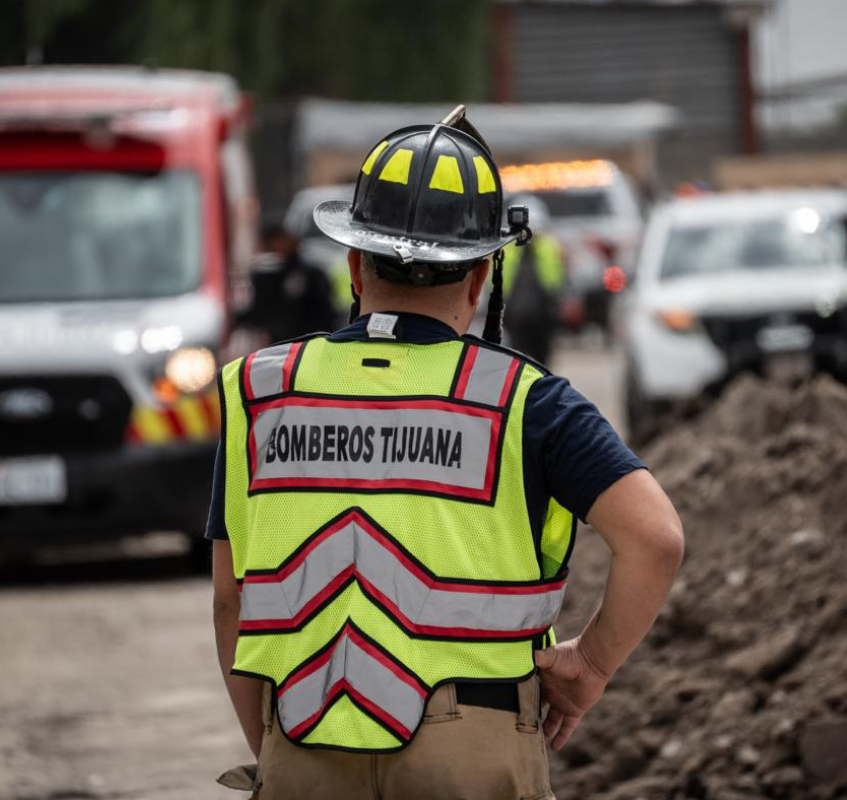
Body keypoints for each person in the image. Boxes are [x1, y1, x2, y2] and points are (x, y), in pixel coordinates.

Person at [207, 107, 683, 799]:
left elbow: (231, 603)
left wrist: (275, 748)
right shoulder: (532, 403)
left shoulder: (260, 392)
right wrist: (591, 667)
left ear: (352, 264)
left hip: (306, 734)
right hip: (475, 752)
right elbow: (656, 539)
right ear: (480, 277)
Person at [237, 222, 337, 343]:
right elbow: (263, 311)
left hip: (311, 342)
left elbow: (323, 311)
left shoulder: (309, 273)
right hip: (282, 345)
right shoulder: (268, 274)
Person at [501, 195, 565, 364]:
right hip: (515, 313)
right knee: (519, 356)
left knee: (541, 358)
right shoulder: (508, 249)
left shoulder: (548, 246)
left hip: (542, 312)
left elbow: (556, 278)